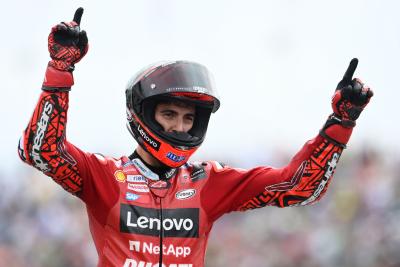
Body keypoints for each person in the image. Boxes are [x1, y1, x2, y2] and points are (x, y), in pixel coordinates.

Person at [18, 7, 373, 267]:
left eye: (189, 118)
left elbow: (299, 187)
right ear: (142, 114)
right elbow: (41, 151)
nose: (179, 127)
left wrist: (341, 122)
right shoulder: (104, 176)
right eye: (169, 114)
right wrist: (60, 70)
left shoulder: (210, 182)